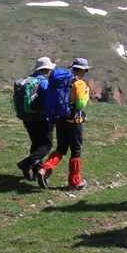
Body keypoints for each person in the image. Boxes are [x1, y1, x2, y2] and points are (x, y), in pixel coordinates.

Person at [36, 57, 91, 190]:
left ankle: (44, 170)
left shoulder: (62, 81)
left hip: (60, 120)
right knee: (76, 152)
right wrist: (87, 93)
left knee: (60, 149)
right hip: (74, 122)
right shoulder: (79, 84)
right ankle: (75, 182)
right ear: (82, 71)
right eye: (86, 70)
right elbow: (80, 104)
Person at [16, 56, 56, 180]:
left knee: (36, 143)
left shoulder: (28, 80)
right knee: (47, 144)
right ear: (46, 70)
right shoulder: (44, 82)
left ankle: (36, 171)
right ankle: (26, 163)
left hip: (26, 117)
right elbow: (49, 102)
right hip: (40, 118)